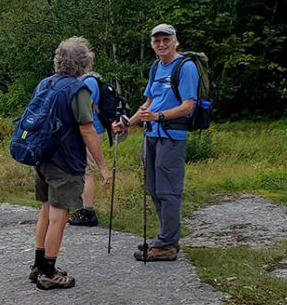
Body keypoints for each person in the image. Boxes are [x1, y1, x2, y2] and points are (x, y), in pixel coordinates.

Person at [29, 37, 112, 290]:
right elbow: (87, 130)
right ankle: (49, 273)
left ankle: (38, 265)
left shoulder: (46, 83)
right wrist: (103, 166)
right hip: (65, 161)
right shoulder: (78, 90)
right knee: (59, 216)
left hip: (42, 156)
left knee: (45, 211)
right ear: (84, 63)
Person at [113, 24, 197, 262]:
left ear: (175, 41)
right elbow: (148, 102)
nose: (161, 44)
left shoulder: (186, 67)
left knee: (168, 190)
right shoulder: (156, 67)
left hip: (172, 136)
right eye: (157, 40)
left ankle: (167, 243)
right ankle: (166, 238)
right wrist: (129, 122)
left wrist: (160, 116)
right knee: (153, 187)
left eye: (166, 40)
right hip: (152, 135)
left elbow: (188, 106)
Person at [68, 73, 108, 227]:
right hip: (84, 131)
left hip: (92, 131)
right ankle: (82, 208)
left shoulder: (89, 82)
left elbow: (84, 107)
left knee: (87, 170)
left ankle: (88, 211)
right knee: (82, 169)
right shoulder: (81, 81)